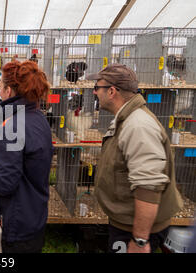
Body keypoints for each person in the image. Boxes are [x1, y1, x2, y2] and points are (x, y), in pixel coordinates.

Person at [87, 64, 183, 253]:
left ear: (112, 91)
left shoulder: (138, 126)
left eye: (97, 87)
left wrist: (139, 240)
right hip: (126, 223)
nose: (94, 92)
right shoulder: (127, 118)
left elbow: (148, 186)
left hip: (133, 229)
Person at [0, 60, 53, 253]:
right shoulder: (39, 119)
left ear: (8, 91)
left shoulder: (13, 126)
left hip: (14, 227)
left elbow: (2, 183)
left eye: (0, 87)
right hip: (33, 217)